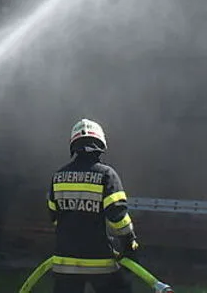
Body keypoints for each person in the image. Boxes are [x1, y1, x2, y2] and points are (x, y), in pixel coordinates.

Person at [46, 119, 139, 293]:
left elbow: (54, 217)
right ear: (100, 144)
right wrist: (129, 242)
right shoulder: (106, 175)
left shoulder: (58, 177)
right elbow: (117, 217)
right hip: (100, 263)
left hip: (64, 262)